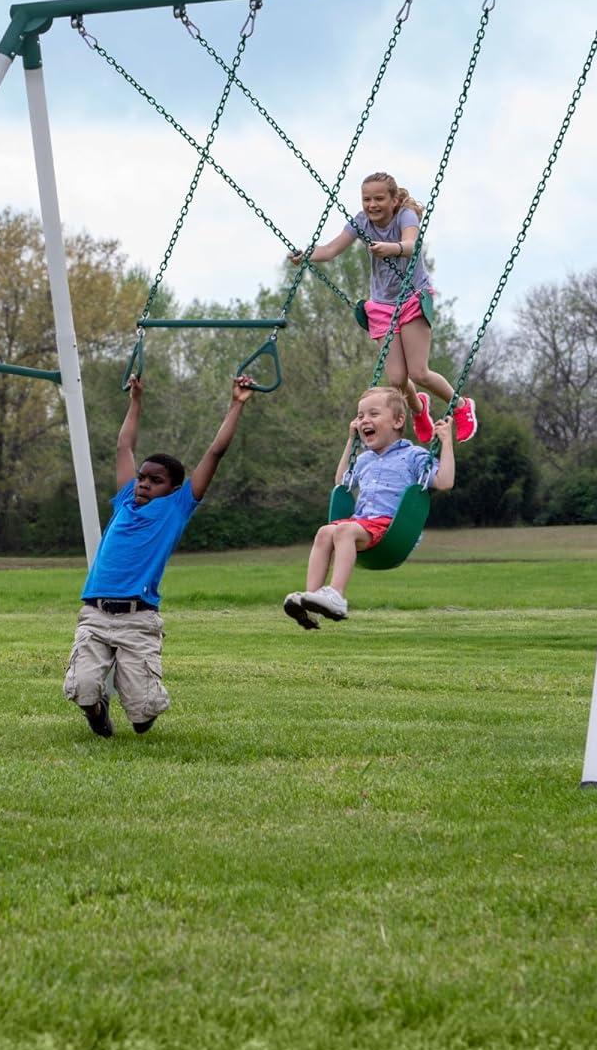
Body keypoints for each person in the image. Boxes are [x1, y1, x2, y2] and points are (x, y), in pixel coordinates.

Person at [65, 374, 254, 737]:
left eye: (155, 480)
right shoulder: (124, 501)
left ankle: (133, 692)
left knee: (143, 716)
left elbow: (215, 453)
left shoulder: (177, 507)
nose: (144, 484)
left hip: (138, 619)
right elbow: (124, 446)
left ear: (174, 488)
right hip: (95, 611)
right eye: (141, 478)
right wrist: (136, 399)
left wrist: (236, 404)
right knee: (83, 689)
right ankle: (98, 710)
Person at [289, 170, 477, 445]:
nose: (372, 205)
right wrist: (306, 255)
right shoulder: (362, 221)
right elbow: (330, 250)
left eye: (379, 199)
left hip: (412, 297)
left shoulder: (405, 216)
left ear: (393, 200)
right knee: (397, 379)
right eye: (366, 199)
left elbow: (412, 245)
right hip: (382, 306)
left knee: (418, 372)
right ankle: (419, 409)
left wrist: (393, 248)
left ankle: (461, 406)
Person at [283, 385, 455, 629]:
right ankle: (311, 601)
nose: (365, 420)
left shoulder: (414, 456)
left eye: (373, 414)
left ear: (398, 421)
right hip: (363, 523)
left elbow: (445, 481)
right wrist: (351, 441)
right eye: (360, 415)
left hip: (392, 529)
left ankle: (336, 596)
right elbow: (342, 482)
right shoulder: (363, 459)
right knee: (325, 532)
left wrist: (446, 442)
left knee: (344, 531)